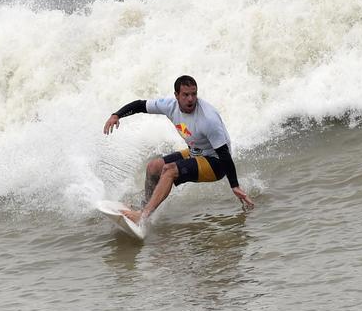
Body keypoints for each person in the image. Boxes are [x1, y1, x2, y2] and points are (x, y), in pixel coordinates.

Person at [103, 75, 254, 224]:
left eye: (194, 94)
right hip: (197, 151)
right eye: (186, 94)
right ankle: (144, 208)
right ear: (176, 95)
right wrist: (117, 115)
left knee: (170, 170)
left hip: (217, 162)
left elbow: (224, 153)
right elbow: (140, 105)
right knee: (153, 167)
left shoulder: (208, 119)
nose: (190, 99)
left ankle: (143, 216)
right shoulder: (169, 105)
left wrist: (234, 185)